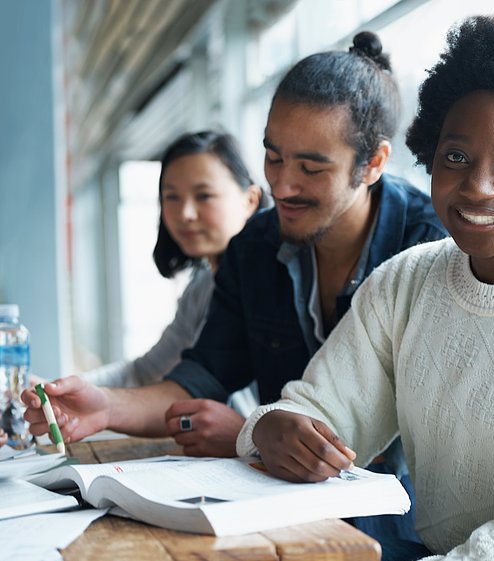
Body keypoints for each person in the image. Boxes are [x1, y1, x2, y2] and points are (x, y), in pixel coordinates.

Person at [237, 12, 494, 561]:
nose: (475, 187)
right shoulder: (405, 282)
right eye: (455, 157)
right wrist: (272, 429)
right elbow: (316, 409)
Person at [22, 31, 446, 543]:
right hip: (276, 520)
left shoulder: (429, 249)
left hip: (402, 530)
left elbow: (421, 431)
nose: (282, 186)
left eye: (311, 168)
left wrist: (250, 436)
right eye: (273, 157)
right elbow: (200, 377)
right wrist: (107, 406)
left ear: (373, 163)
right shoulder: (256, 245)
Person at [70, 130, 265, 390]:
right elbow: (145, 373)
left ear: (250, 200)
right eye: (171, 196)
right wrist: (60, 391)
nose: (185, 213)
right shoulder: (201, 288)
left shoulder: (267, 284)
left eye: (204, 195)